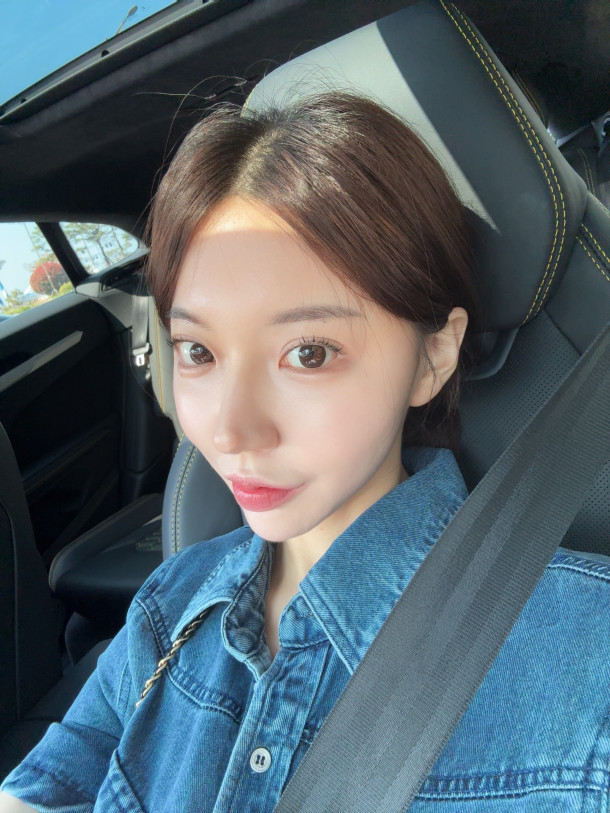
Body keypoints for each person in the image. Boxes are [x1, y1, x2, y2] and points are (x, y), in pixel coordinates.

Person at [5, 91, 604, 812]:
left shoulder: (587, 662)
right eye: (197, 351)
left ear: (432, 357)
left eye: (309, 353)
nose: (229, 430)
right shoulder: (169, 605)